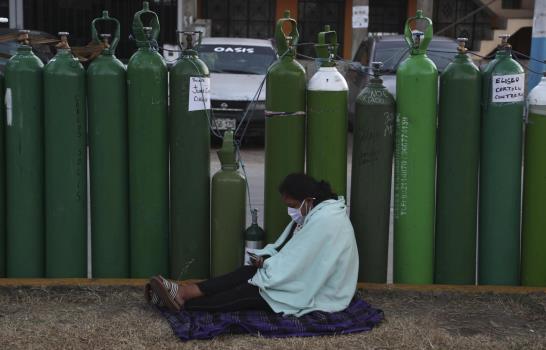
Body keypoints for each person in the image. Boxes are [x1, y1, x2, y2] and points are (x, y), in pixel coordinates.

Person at [146, 173, 359, 316]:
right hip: (305, 279)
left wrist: (267, 264)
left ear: (307, 199)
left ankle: (177, 300)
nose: (292, 211)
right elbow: (295, 252)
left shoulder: (325, 220)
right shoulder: (319, 212)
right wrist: (266, 260)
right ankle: (183, 292)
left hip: (321, 291)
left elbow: (299, 260)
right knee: (244, 273)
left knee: (245, 293)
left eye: (293, 205)